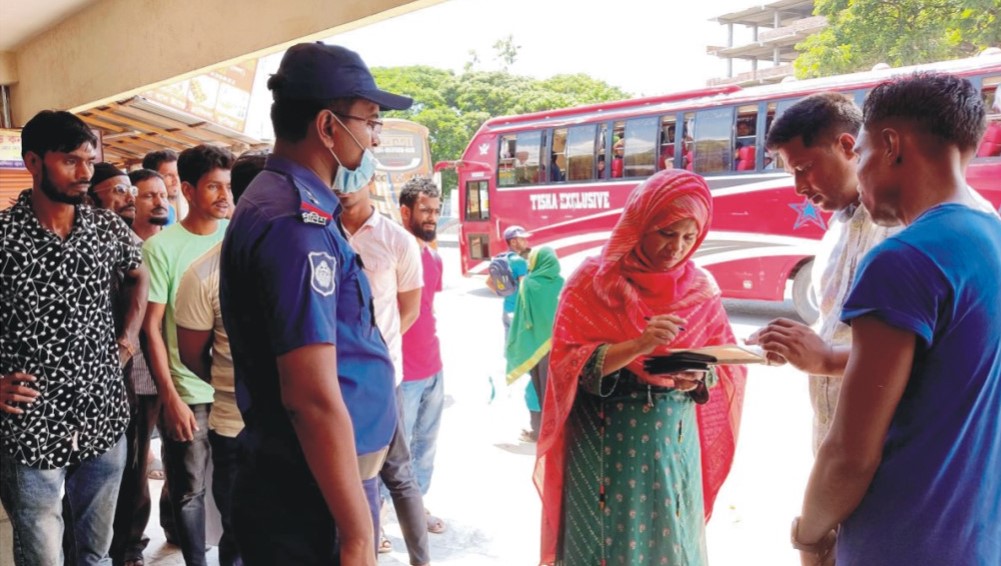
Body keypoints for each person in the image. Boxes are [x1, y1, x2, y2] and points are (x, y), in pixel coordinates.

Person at [793, 72, 1001, 565]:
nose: (859, 171)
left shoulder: (902, 259)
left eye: (860, 154)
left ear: (890, 145)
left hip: (901, 542)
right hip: (975, 538)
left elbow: (849, 453)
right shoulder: (991, 238)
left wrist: (811, 536)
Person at [220, 42, 409, 565]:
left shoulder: (282, 201)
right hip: (312, 496)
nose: (374, 137)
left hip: (310, 480)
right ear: (328, 127)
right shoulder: (294, 226)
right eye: (370, 121)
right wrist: (354, 534)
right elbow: (310, 395)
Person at [748, 92, 999, 454]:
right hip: (841, 452)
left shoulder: (922, 238)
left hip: (898, 460)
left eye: (804, 169)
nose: (799, 188)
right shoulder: (840, 226)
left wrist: (826, 358)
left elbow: (934, 353)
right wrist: (796, 345)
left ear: (853, 148)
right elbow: (839, 326)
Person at [534, 169, 747, 566]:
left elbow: (721, 361)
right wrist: (638, 346)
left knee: (671, 543)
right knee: (608, 546)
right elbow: (567, 366)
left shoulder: (699, 287)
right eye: (666, 233)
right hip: (607, 448)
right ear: (640, 223)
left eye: (689, 237)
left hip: (674, 447)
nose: (677, 248)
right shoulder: (591, 281)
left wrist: (698, 376)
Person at [0, 110, 148, 565]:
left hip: (102, 414)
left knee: (96, 554)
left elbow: (139, 275)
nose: (85, 173)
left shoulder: (106, 229)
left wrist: (128, 338)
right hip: (31, 421)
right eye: (70, 160)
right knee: (43, 556)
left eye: (89, 160)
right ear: (34, 162)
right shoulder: (5, 236)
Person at [143, 144, 234, 566]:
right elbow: (152, 329)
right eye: (213, 186)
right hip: (188, 392)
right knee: (189, 489)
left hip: (232, 391)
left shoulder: (235, 236)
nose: (224, 196)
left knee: (235, 489)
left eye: (228, 187)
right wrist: (171, 398)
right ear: (188, 189)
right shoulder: (161, 248)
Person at [173, 151, 264, 566]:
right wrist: (235, 384)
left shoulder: (303, 259)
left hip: (303, 428)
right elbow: (193, 356)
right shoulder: (205, 274)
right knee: (241, 537)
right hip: (237, 429)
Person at [338, 180, 429, 563]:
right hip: (333, 378)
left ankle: (421, 558)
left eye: (353, 177)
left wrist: (373, 351)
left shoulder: (397, 240)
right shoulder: (323, 232)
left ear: (370, 183)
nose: (343, 187)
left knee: (397, 472)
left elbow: (409, 307)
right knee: (352, 472)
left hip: (382, 377)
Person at [398, 176, 447, 535]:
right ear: (405, 212)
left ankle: (417, 508)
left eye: (436, 210)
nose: (432, 217)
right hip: (402, 371)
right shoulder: (397, 252)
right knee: (394, 450)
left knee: (425, 446)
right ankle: (380, 518)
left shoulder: (433, 254)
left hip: (433, 366)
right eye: (425, 210)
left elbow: (428, 308)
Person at [504, 246, 563, 443]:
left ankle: (543, 433)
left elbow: (522, 320)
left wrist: (513, 346)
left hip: (537, 350)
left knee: (540, 392)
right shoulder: (563, 283)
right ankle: (558, 432)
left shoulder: (528, 284)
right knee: (557, 393)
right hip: (561, 348)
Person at [143, 149, 185, 224]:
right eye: (168, 175)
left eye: (178, 174)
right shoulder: (146, 213)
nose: (176, 180)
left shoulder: (170, 210)